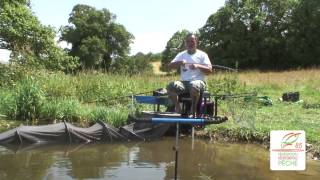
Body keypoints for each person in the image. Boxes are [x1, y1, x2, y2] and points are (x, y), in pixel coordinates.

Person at [167, 33, 212, 116]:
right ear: (185, 43)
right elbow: (169, 67)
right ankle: (178, 108)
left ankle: (193, 110)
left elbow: (209, 70)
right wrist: (179, 62)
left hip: (199, 82)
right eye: (188, 42)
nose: (190, 43)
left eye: (192, 41)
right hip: (184, 83)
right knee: (170, 86)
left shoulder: (202, 55)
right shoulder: (181, 54)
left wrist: (198, 66)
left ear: (196, 42)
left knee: (194, 85)